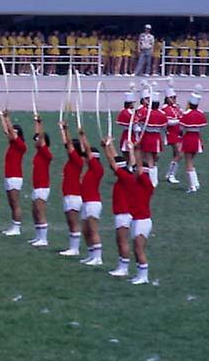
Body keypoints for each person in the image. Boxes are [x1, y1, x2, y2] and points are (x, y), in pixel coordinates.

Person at [104, 135, 153, 284]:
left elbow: (132, 165)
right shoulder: (137, 180)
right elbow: (133, 164)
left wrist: (136, 150)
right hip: (137, 219)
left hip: (141, 220)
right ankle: (139, 275)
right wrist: (131, 149)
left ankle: (143, 276)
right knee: (137, 248)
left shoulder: (144, 182)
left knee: (138, 249)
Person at [77, 127, 105, 267]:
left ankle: (97, 257)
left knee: (93, 230)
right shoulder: (90, 169)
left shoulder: (97, 168)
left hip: (93, 203)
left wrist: (83, 136)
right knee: (85, 230)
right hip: (86, 202)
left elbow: (87, 150)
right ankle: (90, 254)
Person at [58, 120, 85, 257]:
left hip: (73, 195)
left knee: (73, 222)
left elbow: (68, 145)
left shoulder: (77, 160)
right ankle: (72, 247)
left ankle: (75, 248)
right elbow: (66, 144)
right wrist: (62, 130)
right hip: (69, 194)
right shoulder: (75, 160)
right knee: (71, 222)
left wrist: (66, 129)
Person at [0, 110, 27, 236]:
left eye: (14, 132)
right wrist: (1, 117)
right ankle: (13, 225)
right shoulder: (13, 143)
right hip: (10, 176)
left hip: (15, 177)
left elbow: (10, 132)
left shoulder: (20, 145)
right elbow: (7, 131)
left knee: (15, 203)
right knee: (12, 203)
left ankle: (17, 227)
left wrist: (7, 118)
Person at [29, 114, 52, 247]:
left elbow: (41, 137)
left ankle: (43, 238)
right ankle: (38, 236)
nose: (35, 141)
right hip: (36, 186)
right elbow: (38, 136)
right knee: (35, 212)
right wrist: (36, 124)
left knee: (40, 211)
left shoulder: (45, 152)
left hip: (42, 187)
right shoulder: (39, 152)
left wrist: (40, 124)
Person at [179, 91, 208, 193]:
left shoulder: (186, 114)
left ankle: (192, 186)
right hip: (197, 138)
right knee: (191, 161)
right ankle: (195, 183)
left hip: (188, 138)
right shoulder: (201, 114)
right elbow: (203, 126)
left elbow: (181, 128)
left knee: (188, 163)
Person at [162, 89, 183, 184]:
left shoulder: (176, 107)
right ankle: (171, 174)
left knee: (176, 154)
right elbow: (167, 122)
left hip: (178, 132)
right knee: (180, 153)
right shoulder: (164, 109)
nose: (174, 99)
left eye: (175, 97)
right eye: (172, 98)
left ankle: (170, 173)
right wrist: (179, 121)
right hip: (171, 133)